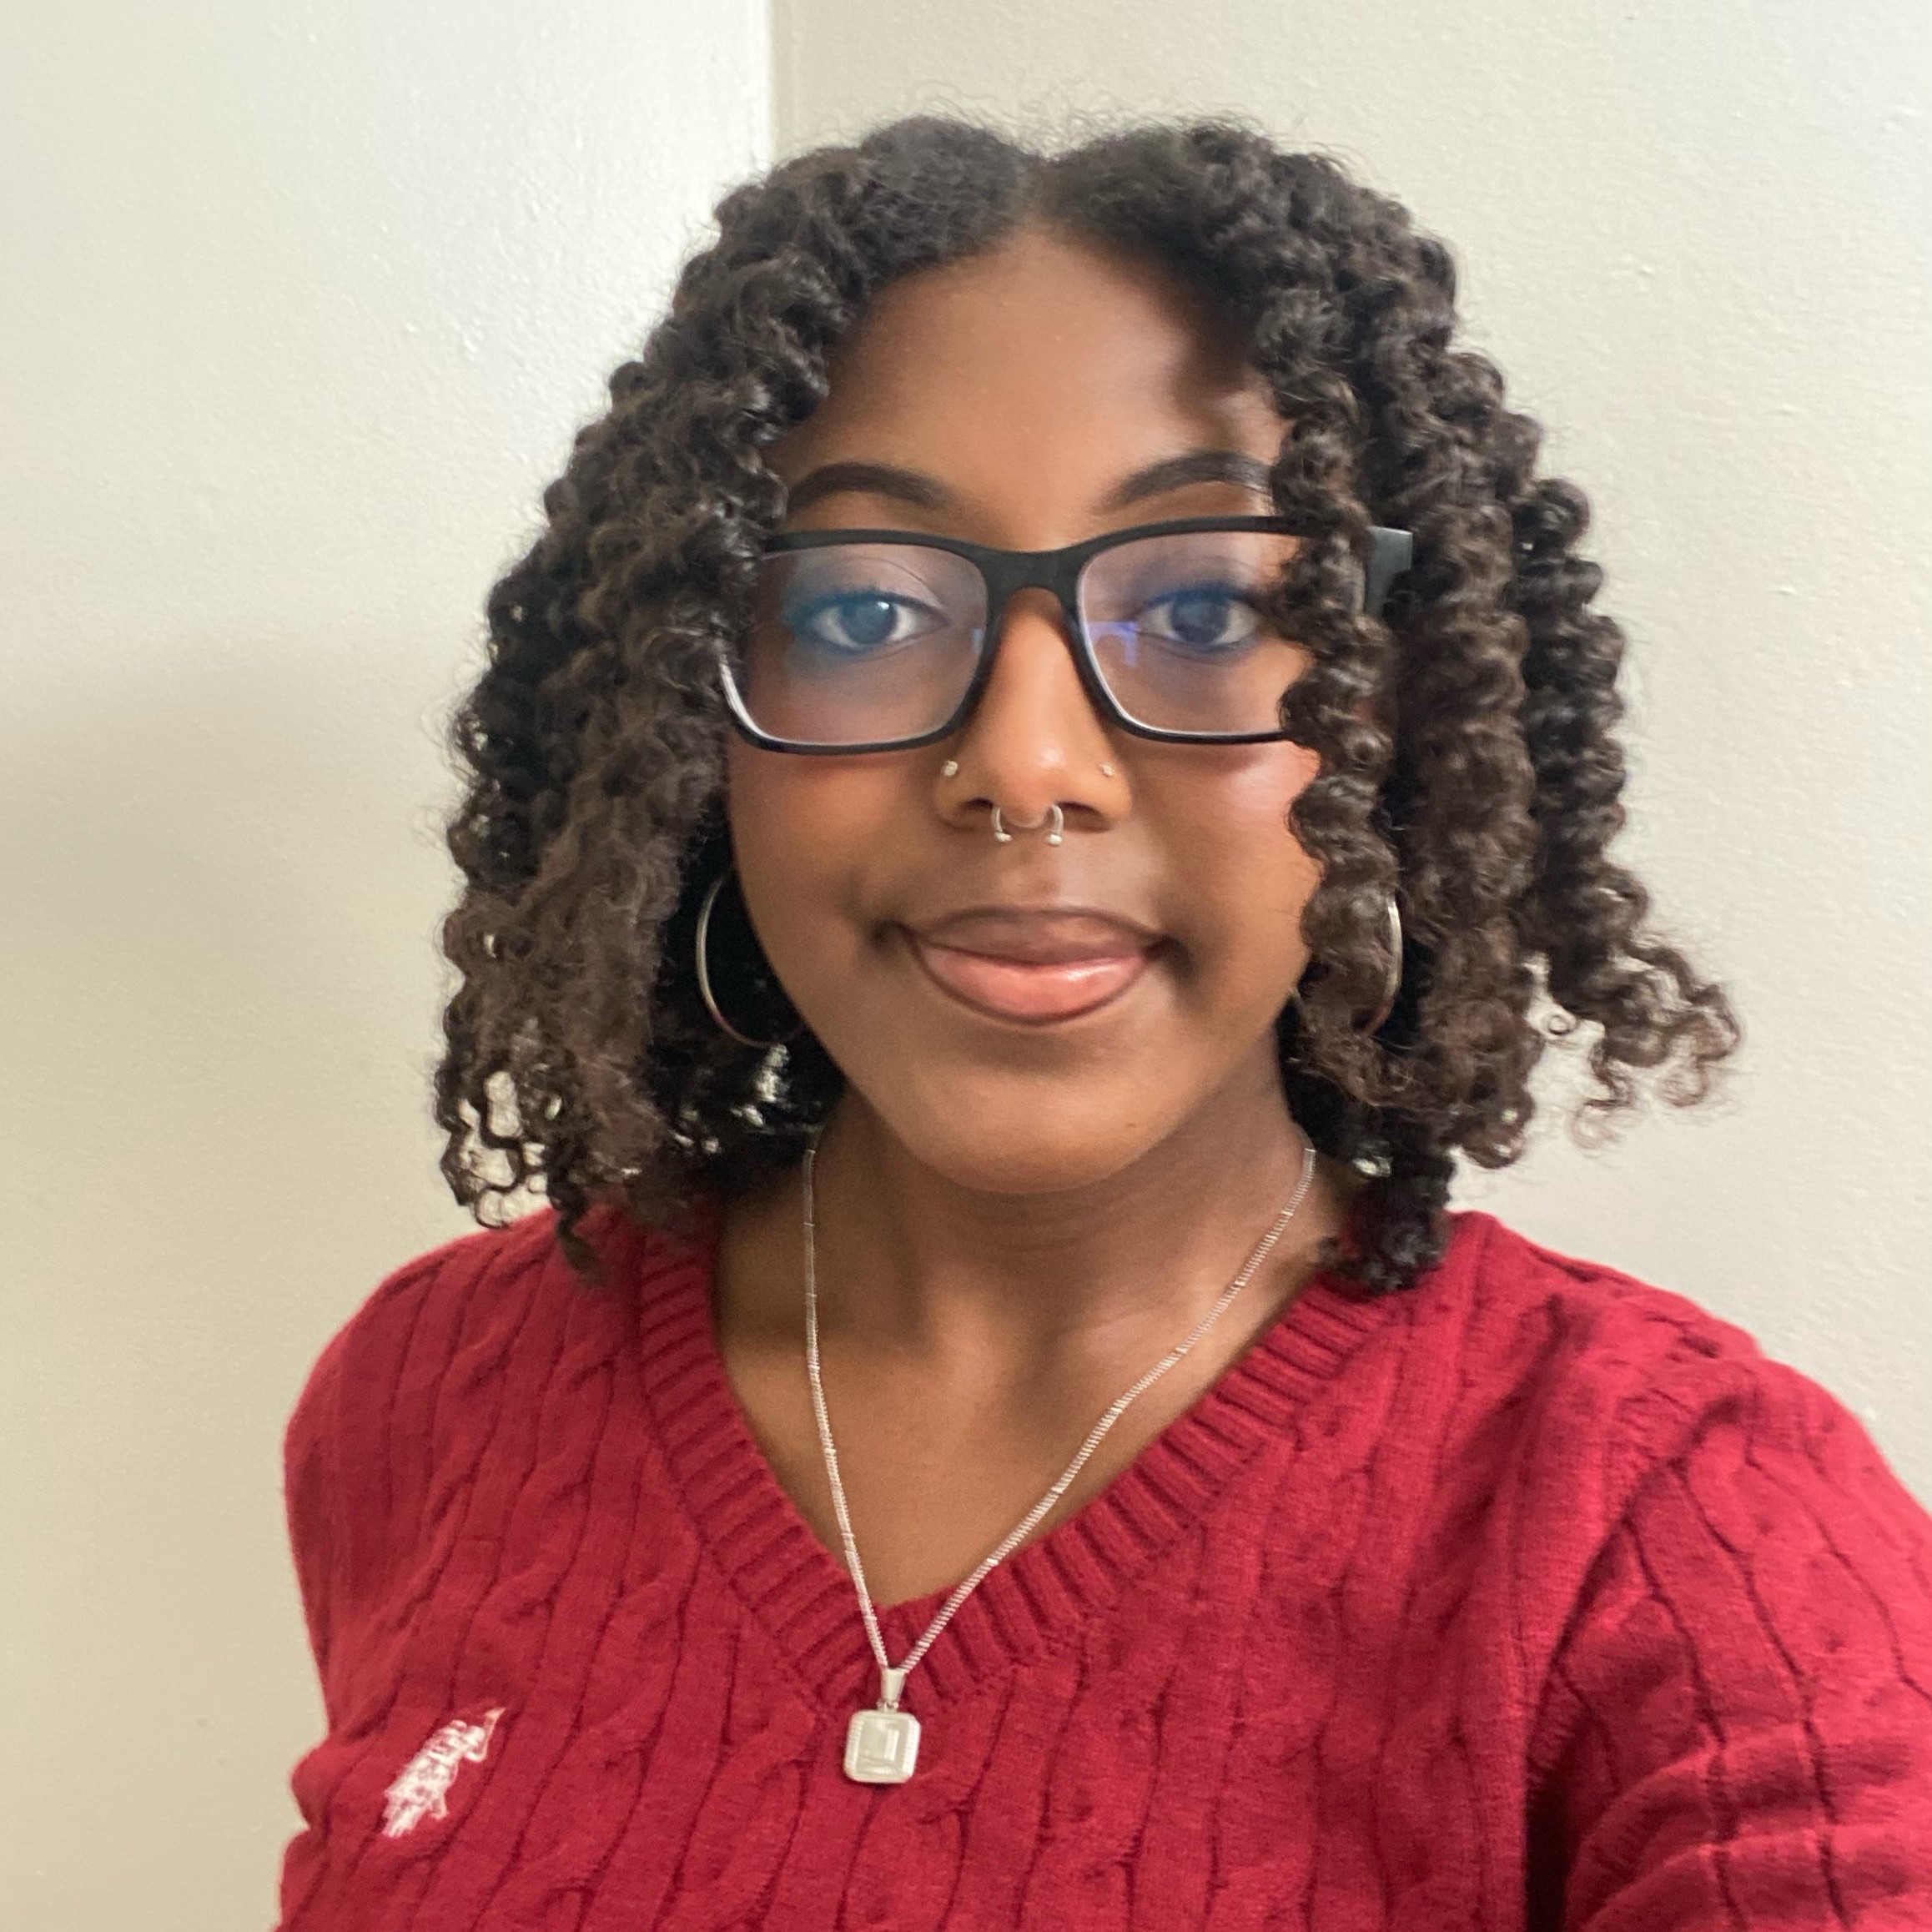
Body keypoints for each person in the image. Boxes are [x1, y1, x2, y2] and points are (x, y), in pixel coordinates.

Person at [274, 118, 1932, 1928]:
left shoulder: (1682, 1529)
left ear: (1403, 706)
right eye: (863, 605)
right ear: (692, 717)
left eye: (1213, 601)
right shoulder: (435, 1399)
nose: (1025, 766)